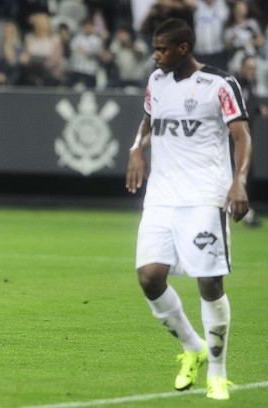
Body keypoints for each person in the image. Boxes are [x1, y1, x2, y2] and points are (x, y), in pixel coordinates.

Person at [126, 18, 252, 400]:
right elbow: (148, 121)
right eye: (154, 48)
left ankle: (217, 371)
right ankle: (193, 347)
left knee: (209, 282)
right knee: (149, 277)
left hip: (204, 196)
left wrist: (239, 181)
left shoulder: (219, 85)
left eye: (161, 49)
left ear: (183, 48)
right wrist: (136, 149)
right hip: (161, 197)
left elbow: (241, 135)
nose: (155, 54)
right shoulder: (156, 82)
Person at [234, 55, 266, 227]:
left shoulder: (250, 85)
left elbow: (249, 105)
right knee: (240, 171)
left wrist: (258, 109)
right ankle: (240, 209)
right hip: (234, 137)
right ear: (242, 67)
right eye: (249, 67)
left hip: (245, 137)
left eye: (254, 68)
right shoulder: (235, 84)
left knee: (247, 172)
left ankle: (243, 208)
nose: (251, 70)